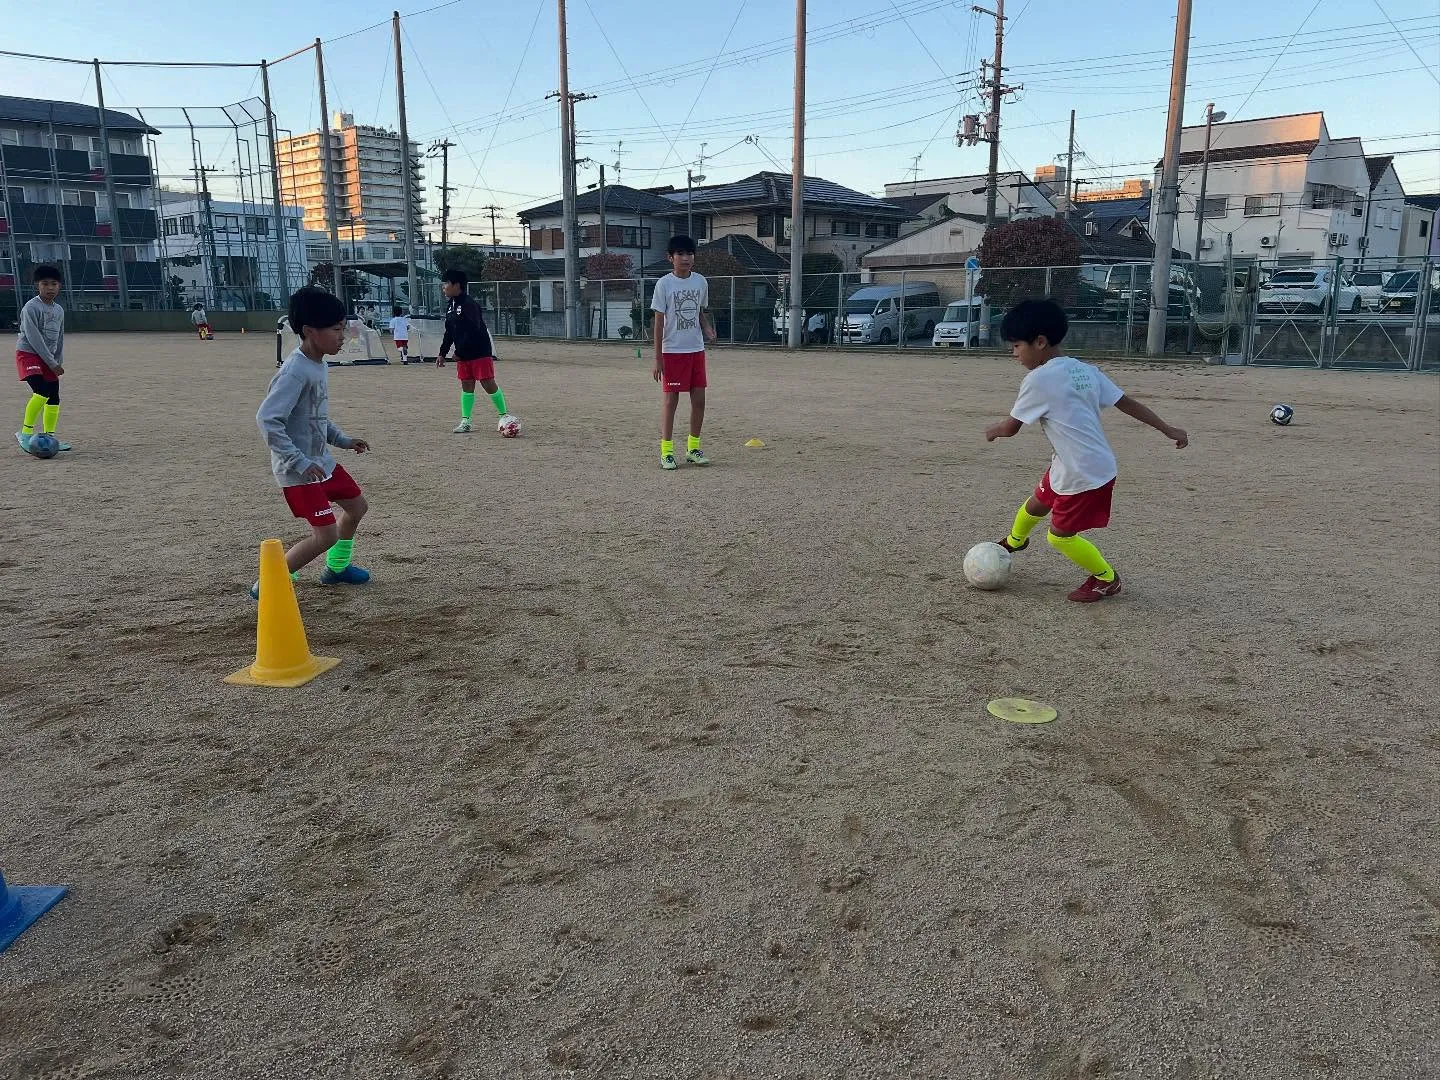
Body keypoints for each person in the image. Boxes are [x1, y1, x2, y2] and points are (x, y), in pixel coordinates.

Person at [984, 298, 1188, 603]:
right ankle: (1015, 541)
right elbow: (1126, 402)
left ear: (1040, 342)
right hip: (1072, 464)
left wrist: (993, 431)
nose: (1013, 353)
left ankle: (1106, 578)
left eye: (1016, 346)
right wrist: (1167, 428)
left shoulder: (1038, 379)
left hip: (1084, 474)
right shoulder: (1085, 370)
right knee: (1037, 502)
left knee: (1059, 536)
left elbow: (1012, 427)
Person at [252, 287, 371, 599]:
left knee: (357, 506)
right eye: (335, 329)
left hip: (322, 464)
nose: (342, 335)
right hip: (300, 471)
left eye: (343, 327)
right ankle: (268, 586)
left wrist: (341, 439)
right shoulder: (294, 371)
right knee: (325, 534)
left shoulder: (319, 364)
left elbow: (314, 416)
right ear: (309, 331)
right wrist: (300, 462)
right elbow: (268, 420)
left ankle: (337, 568)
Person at [650, 234, 716, 470]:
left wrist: (706, 327)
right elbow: (658, 322)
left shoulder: (700, 282)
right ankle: (666, 451)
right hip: (673, 352)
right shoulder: (664, 284)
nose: (685, 258)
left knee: (699, 400)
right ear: (670, 258)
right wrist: (658, 358)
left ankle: (693, 448)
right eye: (680, 254)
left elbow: (698, 311)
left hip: (696, 350)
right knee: (671, 401)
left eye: (689, 254)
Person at [437, 269, 514, 433]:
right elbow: (449, 331)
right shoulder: (450, 306)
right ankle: (466, 421)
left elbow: (474, 329)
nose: (443, 287)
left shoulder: (469, 304)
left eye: (446, 283)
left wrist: (460, 351)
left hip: (479, 351)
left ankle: (505, 415)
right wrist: (442, 353)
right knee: (466, 385)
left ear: (456, 285)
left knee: (487, 383)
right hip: (463, 354)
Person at [15, 265, 71, 454]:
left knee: (53, 396)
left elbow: (60, 338)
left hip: (49, 359)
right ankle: (25, 433)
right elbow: (34, 338)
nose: (50, 288)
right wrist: (52, 363)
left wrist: (58, 361)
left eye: (54, 284)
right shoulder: (31, 307)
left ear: (60, 286)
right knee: (41, 391)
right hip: (29, 354)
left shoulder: (59, 310)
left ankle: (49, 437)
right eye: (45, 283)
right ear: (37, 286)